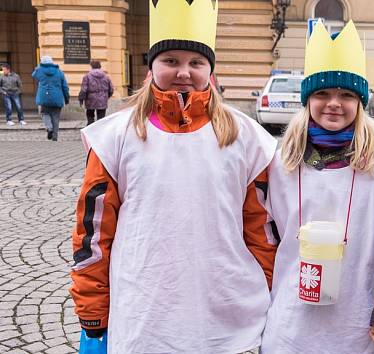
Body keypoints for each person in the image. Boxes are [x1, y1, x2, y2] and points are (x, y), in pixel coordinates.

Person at [68, 0, 277, 352]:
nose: (184, 72)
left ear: (210, 71)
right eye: (171, 61)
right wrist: (92, 307)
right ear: (152, 68)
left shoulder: (245, 136)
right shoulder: (116, 136)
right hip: (144, 304)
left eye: (196, 62)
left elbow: (263, 228)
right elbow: (93, 232)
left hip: (222, 304)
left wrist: (265, 288)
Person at [261, 20, 374, 354]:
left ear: (360, 102)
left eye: (347, 95)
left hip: (359, 318)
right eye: (322, 93)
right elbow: (264, 236)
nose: (334, 103)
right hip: (293, 316)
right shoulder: (280, 160)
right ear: (307, 99)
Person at [32, 56, 70, 141]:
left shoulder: (39, 71)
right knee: (55, 118)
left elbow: (33, 75)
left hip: (44, 98)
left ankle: (49, 128)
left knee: (44, 113)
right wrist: (66, 98)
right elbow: (65, 87)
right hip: (57, 98)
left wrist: (38, 67)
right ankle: (55, 137)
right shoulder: (59, 72)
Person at [78, 60, 114, 125]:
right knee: (101, 118)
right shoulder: (106, 76)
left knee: (90, 116)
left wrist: (81, 99)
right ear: (100, 66)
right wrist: (107, 96)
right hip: (102, 99)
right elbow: (111, 89)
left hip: (90, 99)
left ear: (91, 66)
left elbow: (83, 89)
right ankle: (100, 132)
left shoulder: (87, 76)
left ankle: (90, 131)